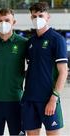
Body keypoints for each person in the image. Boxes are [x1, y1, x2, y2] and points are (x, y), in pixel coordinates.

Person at [21, 2, 68, 136]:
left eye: (40, 15)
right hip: (30, 99)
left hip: (48, 99)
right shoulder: (30, 42)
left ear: (48, 16)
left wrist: (54, 98)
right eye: (34, 16)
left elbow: (63, 72)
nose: (37, 19)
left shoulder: (57, 39)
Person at [0, 8, 27, 135]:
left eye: (7, 20)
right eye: (0, 20)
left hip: (16, 100)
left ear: (14, 22)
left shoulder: (23, 43)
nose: (3, 23)